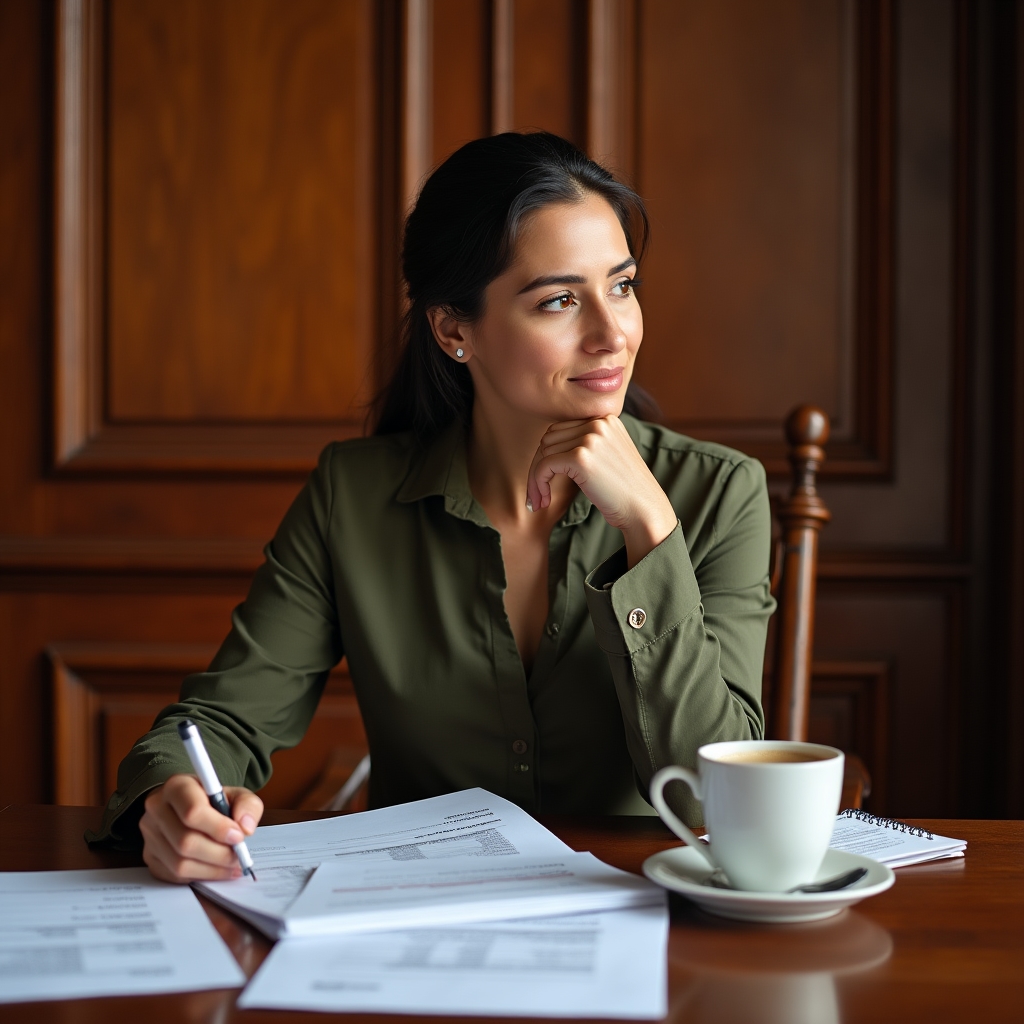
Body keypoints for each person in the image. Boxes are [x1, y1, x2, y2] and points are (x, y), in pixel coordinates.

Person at [88, 132, 775, 883]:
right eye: (559, 301)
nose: (613, 333)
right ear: (454, 330)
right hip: (415, 917)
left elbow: (722, 799)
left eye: (622, 285)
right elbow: (228, 718)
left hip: (651, 918)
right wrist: (167, 798)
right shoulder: (353, 497)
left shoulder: (717, 493)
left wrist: (650, 534)